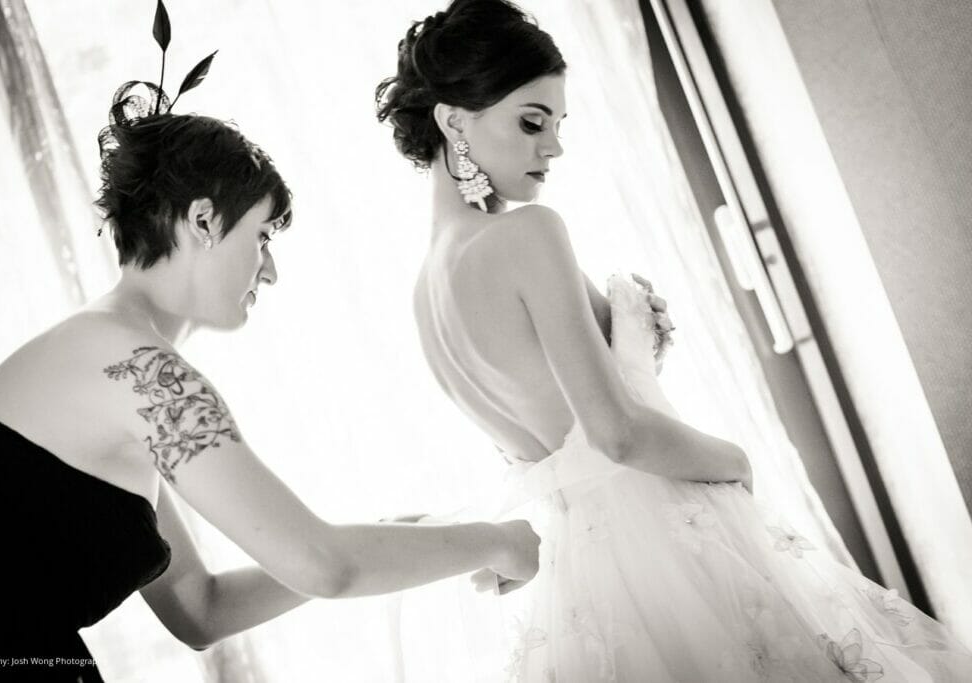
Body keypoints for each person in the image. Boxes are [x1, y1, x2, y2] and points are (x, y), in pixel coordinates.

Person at [375, 0, 972, 680]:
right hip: (669, 538)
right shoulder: (527, 233)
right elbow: (616, 435)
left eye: (560, 124)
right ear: (454, 121)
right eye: (532, 122)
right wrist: (735, 460)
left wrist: (629, 351)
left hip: (588, 581)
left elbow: (554, 442)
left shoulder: (424, 299)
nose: (555, 146)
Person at [0, 72, 541, 683]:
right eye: (262, 236)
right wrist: (498, 542)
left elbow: (201, 609)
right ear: (203, 220)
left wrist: (387, 538)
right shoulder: (143, 373)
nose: (271, 271)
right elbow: (324, 566)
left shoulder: (102, 361)